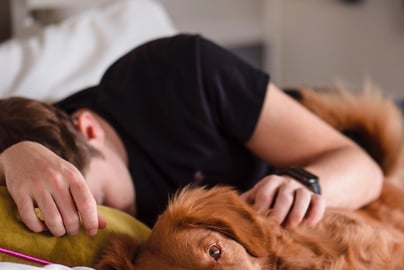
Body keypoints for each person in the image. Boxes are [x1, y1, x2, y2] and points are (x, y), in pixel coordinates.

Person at [0, 34, 384, 237]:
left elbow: (363, 168)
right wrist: (12, 154)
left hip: (364, 126)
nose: (107, 222)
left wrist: (305, 185)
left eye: (99, 199)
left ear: (89, 129)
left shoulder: (181, 71)